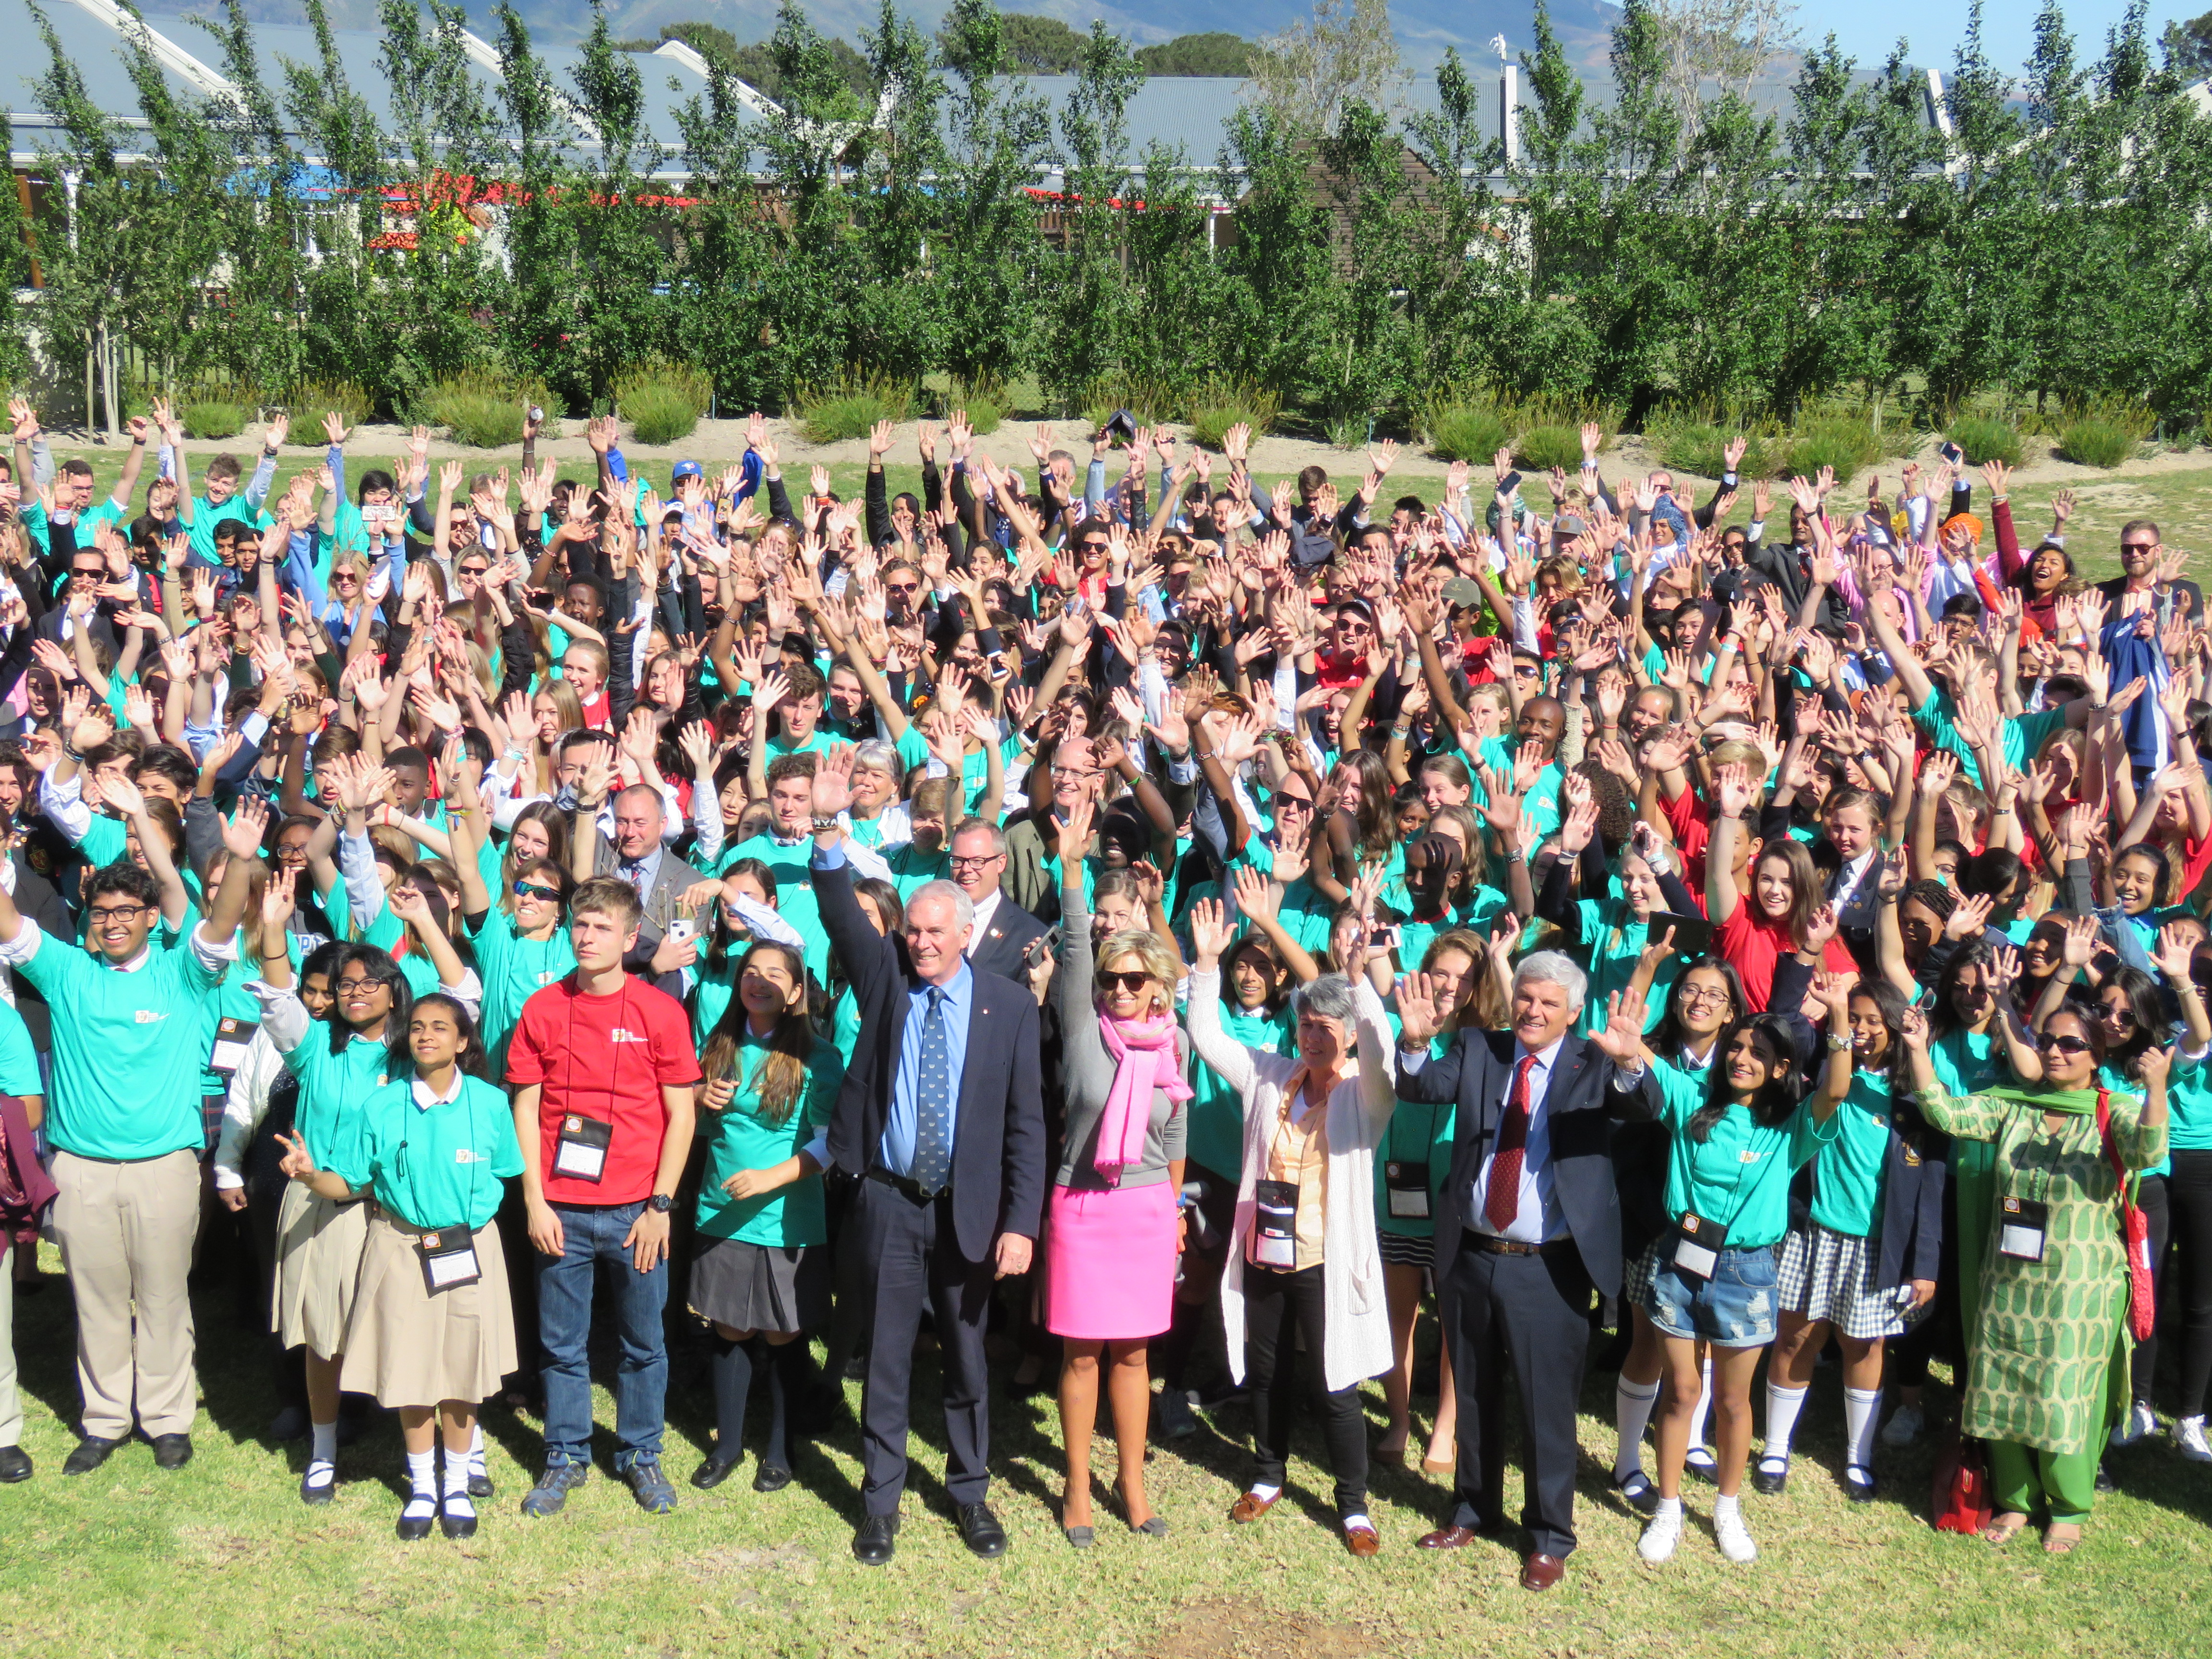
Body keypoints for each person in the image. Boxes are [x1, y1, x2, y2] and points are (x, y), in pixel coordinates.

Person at [806, 744, 1044, 1567]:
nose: (920, 943)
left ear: (967, 933)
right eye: (912, 930)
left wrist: (1021, 1223)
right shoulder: (887, 984)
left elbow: (1026, 1126)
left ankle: (969, 1491)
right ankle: (880, 1503)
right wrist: (828, 831)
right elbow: (842, 917)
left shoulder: (1008, 1007)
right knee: (886, 1357)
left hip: (968, 1210)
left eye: (935, 931)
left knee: (968, 1359)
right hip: (889, 1202)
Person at [0, 800, 263, 1475]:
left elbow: (223, 921)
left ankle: (169, 1420)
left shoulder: (183, 974)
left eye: (126, 912)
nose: (112, 922)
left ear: (151, 918)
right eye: (101, 912)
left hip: (165, 1167)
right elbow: (9, 925)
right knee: (96, 1300)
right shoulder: (65, 971)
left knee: (164, 1298)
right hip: (81, 1170)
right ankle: (106, 1420)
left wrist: (238, 859)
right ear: (89, 917)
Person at [1391, 948, 1655, 1591]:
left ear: (1573, 1012)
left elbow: (1642, 1106)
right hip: (1472, 1253)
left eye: (1548, 1003)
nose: (1532, 1011)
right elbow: (1422, 1087)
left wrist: (1630, 1061)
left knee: (1546, 1406)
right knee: (1474, 1391)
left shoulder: (1594, 1060)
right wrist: (1416, 1042)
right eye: (1526, 998)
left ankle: (1548, 1537)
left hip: (1549, 1268)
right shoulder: (1481, 1048)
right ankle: (1473, 1510)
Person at [1902, 1000, 2169, 1551]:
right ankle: (2016, 1500)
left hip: (2081, 1286)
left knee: (2066, 1392)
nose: (2054, 1051)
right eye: (2047, 1040)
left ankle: (2069, 1507)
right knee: (2003, 1381)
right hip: (2010, 1277)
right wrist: (1916, 1050)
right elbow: (1946, 1114)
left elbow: (2148, 1150)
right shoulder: (2014, 1106)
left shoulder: (2113, 1111)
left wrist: (2157, 1089)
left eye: (2070, 1044)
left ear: (2096, 1056)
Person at [1183, 897, 1396, 1556]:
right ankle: (1268, 1473)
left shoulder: (1365, 1094)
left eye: (1326, 1026)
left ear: (1349, 1033)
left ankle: (1353, 1505)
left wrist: (1359, 983)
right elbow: (1209, 1039)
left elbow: (1386, 1055)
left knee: (1336, 1385)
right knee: (1267, 1370)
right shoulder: (1271, 1077)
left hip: (1326, 1260)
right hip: (1265, 1251)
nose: (1313, 1036)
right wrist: (1208, 965)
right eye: (1305, 1024)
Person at [275, 994, 522, 1540]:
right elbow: (349, 1182)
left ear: (463, 1041)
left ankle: (456, 1486)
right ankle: (423, 1487)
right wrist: (310, 1176)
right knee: (412, 1371)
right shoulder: (382, 1106)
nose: (426, 1036)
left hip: (469, 1247)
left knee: (463, 1372)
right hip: (402, 1247)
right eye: (417, 1028)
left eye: (440, 1028)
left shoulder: (490, 1103)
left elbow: (506, 1170)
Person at [1634, 983, 1851, 1565]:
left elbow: (1836, 1088)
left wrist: (1839, 1016)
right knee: (1682, 1391)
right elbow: (1641, 1055)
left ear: (1781, 1068)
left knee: (1733, 1401)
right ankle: (1668, 1508)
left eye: (1758, 1053)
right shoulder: (1691, 1101)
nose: (1741, 1058)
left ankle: (1727, 1508)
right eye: (1736, 1047)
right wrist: (1633, 1031)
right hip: (1680, 1261)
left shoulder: (1790, 1128)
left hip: (1746, 1272)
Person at [506, 875, 700, 1517]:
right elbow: (526, 1108)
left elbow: (682, 1115)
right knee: (563, 1344)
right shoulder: (543, 1009)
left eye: (602, 927)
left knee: (643, 1343)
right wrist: (535, 1200)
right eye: (581, 925)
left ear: (630, 936)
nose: (588, 938)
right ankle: (565, 1454)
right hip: (560, 1208)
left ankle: (642, 1454)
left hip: (636, 1211)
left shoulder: (659, 1012)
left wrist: (661, 1207)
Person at [1045, 789, 1187, 1544]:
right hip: (1082, 1205)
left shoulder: (1172, 1042)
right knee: (1081, 1355)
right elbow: (1077, 944)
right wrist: (1072, 871)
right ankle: (1077, 1487)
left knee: (1134, 1355)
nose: (1121, 990)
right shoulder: (1084, 1025)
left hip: (1147, 1212)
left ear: (1160, 986)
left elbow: (1177, 1132)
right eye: (1112, 980)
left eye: (1136, 980)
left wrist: (1176, 1213)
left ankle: (1132, 1483)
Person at [687, 940, 843, 1495]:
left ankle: (780, 1449)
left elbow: (831, 1146)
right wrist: (698, 1097)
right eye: (750, 971)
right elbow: (692, 1127)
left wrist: (770, 1178)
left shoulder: (819, 1058)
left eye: (774, 974)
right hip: (723, 1212)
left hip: (785, 1217)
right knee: (729, 1326)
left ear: (796, 991)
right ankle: (727, 1446)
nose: (758, 981)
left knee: (782, 1331)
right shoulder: (719, 1045)